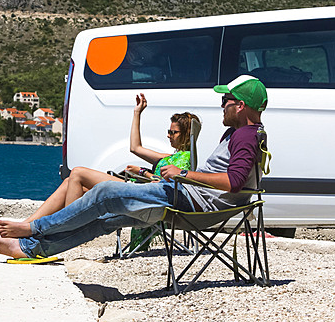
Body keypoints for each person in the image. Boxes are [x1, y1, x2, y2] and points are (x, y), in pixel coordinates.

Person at [0, 75, 267, 260]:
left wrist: (183, 174)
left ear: (240, 105)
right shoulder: (243, 133)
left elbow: (234, 182)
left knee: (105, 193)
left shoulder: (245, 135)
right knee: (106, 220)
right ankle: (30, 249)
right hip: (190, 202)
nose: (222, 107)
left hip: (193, 205)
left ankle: (32, 229)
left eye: (225, 101)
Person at [11, 95, 200, 227]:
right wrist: (137, 113)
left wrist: (142, 173)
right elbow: (135, 148)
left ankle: (63, 227)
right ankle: (30, 223)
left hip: (139, 192)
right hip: (135, 188)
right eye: (168, 131)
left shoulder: (185, 160)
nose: (168, 135)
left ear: (185, 134)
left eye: (173, 132)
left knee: (77, 172)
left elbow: (166, 187)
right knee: (71, 182)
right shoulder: (170, 157)